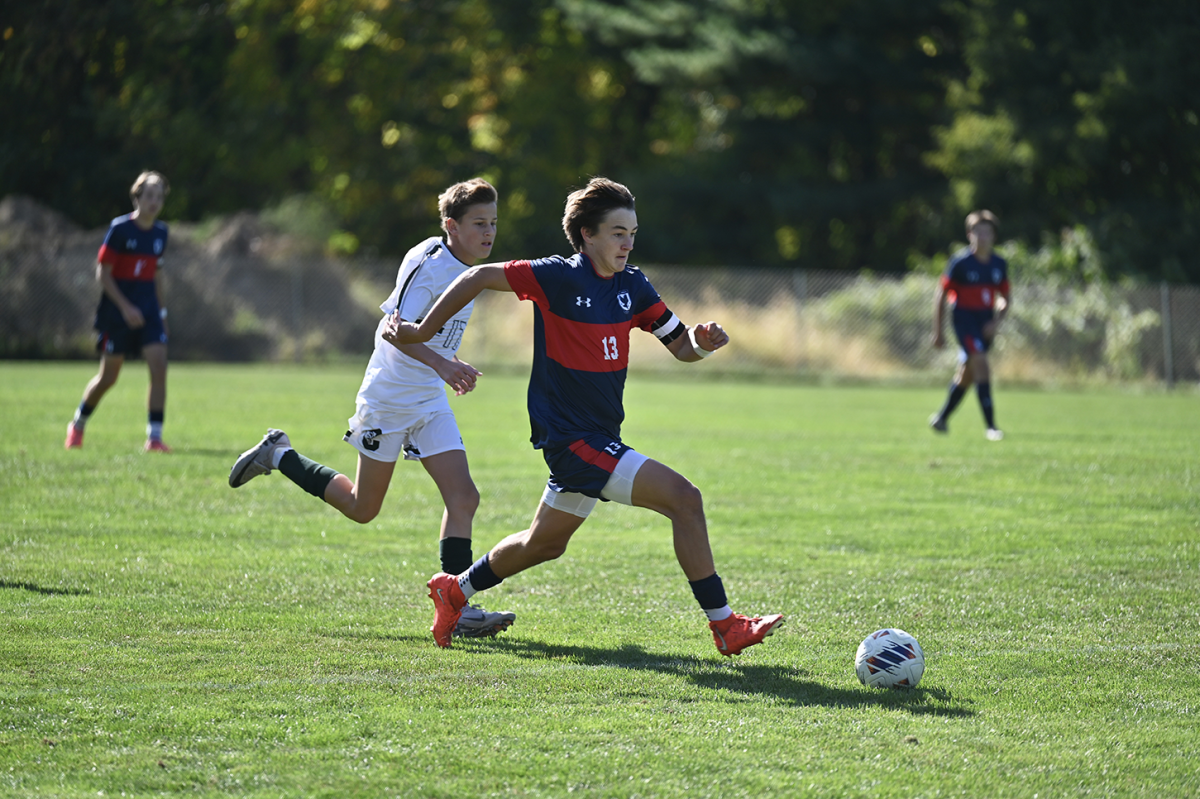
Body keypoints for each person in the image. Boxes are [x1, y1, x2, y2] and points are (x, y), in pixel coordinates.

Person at [384, 177, 784, 656]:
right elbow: (476, 276)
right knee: (684, 498)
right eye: (617, 232)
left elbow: (681, 348)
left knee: (544, 544)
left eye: (632, 232)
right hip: (572, 440)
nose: (628, 242)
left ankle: (454, 590)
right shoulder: (555, 276)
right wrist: (422, 330)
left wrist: (702, 342)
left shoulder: (633, 285)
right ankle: (726, 626)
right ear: (587, 234)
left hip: (598, 435)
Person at [227, 178, 515, 639]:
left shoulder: (470, 269)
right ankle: (279, 455)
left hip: (428, 398)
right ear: (451, 226)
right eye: (479, 223)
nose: (489, 232)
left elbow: (429, 334)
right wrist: (443, 363)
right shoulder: (429, 263)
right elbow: (393, 330)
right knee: (363, 508)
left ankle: (458, 605)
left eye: (493, 223)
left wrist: (447, 364)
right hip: (388, 397)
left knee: (465, 498)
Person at [65, 171, 173, 452]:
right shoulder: (120, 229)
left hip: (149, 311)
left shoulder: (161, 233)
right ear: (137, 196)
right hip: (118, 312)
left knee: (159, 367)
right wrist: (125, 307)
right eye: (149, 195)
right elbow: (103, 272)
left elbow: (157, 277)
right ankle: (77, 425)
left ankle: (154, 438)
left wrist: (161, 314)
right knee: (109, 377)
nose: (154, 202)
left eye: (159, 197)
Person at [929, 209, 1010, 441]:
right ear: (969, 234)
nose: (982, 237)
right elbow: (941, 295)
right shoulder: (960, 263)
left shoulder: (999, 264)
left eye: (987, 232)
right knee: (981, 365)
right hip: (964, 320)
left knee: (968, 373)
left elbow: (1005, 296)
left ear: (994, 236)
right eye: (978, 232)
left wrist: (997, 320)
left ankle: (942, 418)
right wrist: (938, 331)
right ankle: (991, 427)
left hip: (986, 322)